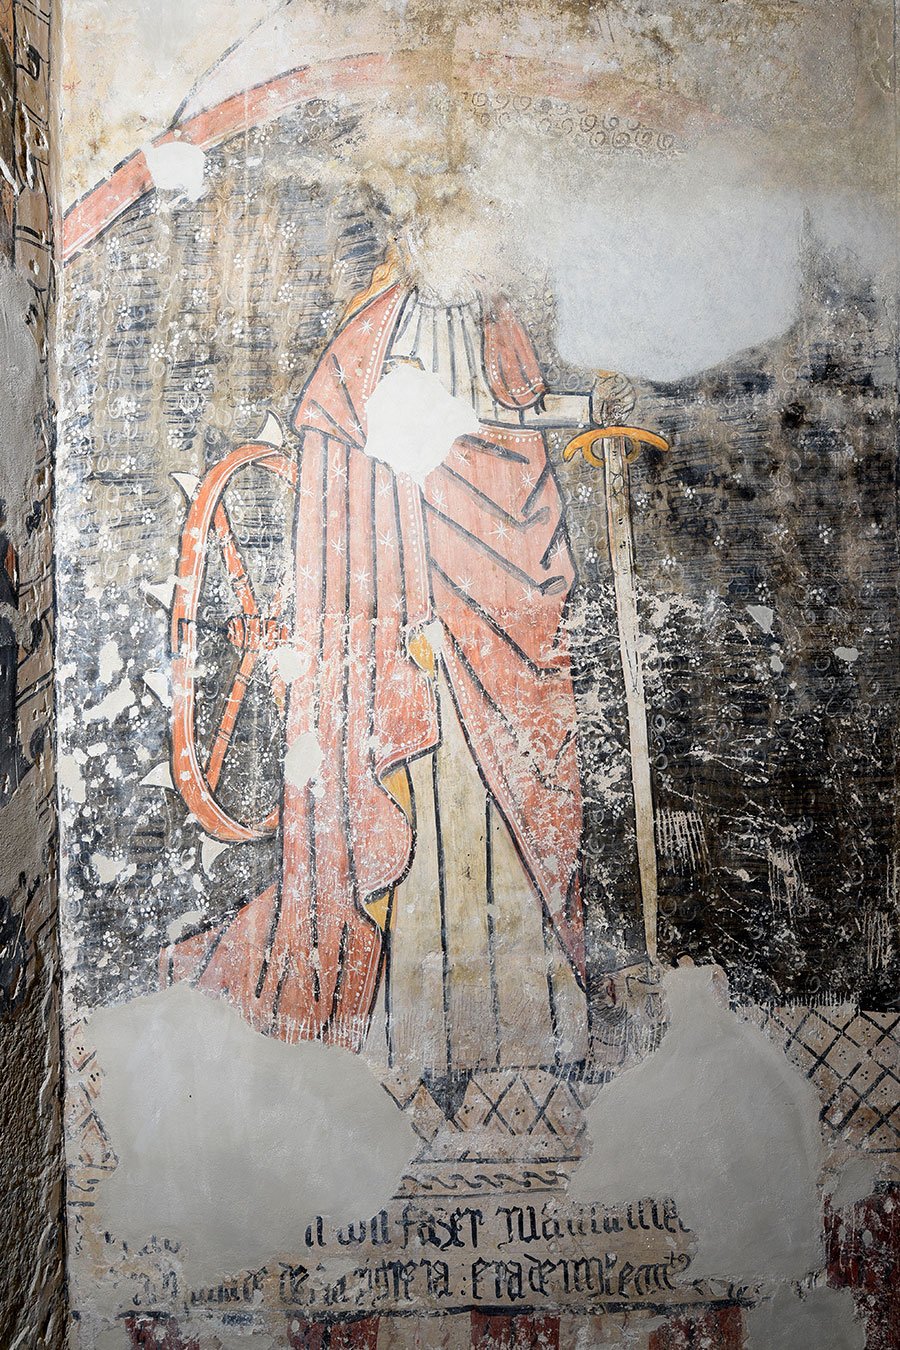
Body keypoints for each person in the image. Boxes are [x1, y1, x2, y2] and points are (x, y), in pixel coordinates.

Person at [161, 244, 634, 1075]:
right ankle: (423, 1028)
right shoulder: (375, 338)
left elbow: (511, 419)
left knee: (511, 791)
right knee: (435, 796)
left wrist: (589, 406)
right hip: (420, 612)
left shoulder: (493, 323)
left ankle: (528, 1019)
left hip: (500, 603)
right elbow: (365, 466)